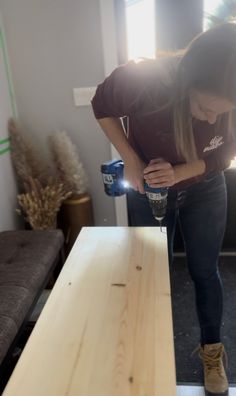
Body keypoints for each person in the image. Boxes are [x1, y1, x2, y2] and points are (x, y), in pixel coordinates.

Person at [91, 23, 236, 396]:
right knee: (151, 274)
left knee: (205, 271)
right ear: (185, 80)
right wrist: (131, 160)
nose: (209, 120)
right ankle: (147, 352)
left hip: (205, 188)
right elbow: (101, 105)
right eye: (204, 107)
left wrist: (182, 171)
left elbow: (225, 153)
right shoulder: (141, 80)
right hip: (149, 190)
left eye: (220, 114)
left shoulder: (226, 102)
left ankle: (211, 350)